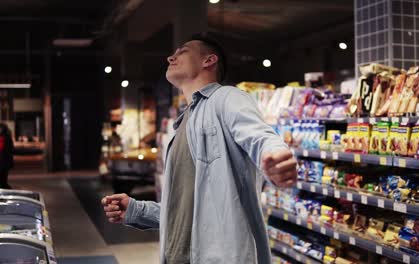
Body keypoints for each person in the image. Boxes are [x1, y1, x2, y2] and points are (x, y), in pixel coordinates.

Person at [101, 34, 297, 264]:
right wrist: (136, 210)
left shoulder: (227, 97)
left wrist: (273, 154)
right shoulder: (183, 123)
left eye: (182, 51)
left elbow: (259, 134)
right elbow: (188, 210)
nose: (170, 57)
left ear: (209, 60)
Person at [0, 123, 14, 189]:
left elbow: (11, 148)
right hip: (2, 159)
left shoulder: (7, 137)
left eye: (1, 128)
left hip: (5, 159)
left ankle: (4, 184)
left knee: (4, 173)